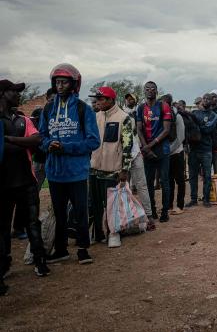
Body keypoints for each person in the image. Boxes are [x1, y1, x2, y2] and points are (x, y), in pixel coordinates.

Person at [40, 64, 100, 264]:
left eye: (64, 82)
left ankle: (83, 249)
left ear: (74, 84)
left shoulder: (84, 109)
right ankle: (61, 249)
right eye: (57, 82)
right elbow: (41, 136)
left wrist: (66, 147)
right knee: (59, 213)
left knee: (80, 212)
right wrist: (49, 144)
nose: (60, 86)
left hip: (77, 172)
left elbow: (93, 141)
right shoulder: (48, 108)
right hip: (55, 172)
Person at [1, 80, 49, 296]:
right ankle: (3, 266)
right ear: (3, 94)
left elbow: (37, 140)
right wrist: (23, 142)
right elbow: (28, 142)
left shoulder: (22, 119)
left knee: (33, 223)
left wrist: (9, 139)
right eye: (14, 91)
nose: (19, 95)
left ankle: (40, 261)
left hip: (26, 181)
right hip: (3, 184)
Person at [88, 87, 134, 248]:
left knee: (112, 204)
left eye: (101, 99)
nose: (98, 102)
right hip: (94, 168)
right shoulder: (95, 117)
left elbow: (128, 146)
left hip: (112, 170)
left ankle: (114, 233)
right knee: (94, 203)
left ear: (110, 100)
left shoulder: (124, 118)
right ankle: (97, 234)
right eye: (97, 99)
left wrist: (125, 169)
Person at [136, 81, 172, 222]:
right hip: (147, 150)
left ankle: (165, 212)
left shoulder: (164, 106)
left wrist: (150, 145)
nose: (150, 91)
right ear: (144, 91)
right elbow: (139, 129)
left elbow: (167, 130)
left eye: (153, 89)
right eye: (147, 89)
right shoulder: (140, 108)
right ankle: (152, 211)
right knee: (148, 182)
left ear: (157, 91)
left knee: (165, 181)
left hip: (162, 149)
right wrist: (146, 147)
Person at [186, 93, 216, 207]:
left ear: (211, 101)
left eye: (208, 99)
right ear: (202, 100)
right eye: (204, 98)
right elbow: (189, 128)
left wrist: (197, 128)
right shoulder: (194, 113)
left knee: (207, 176)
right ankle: (193, 199)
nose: (206, 100)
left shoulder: (213, 115)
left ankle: (206, 199)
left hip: (206, 150)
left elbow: (208, 129)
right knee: (193, 176)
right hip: (193, 149)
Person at [161, 94, 185, 214]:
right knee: (168, 180)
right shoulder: (161, 116)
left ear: (169, 104)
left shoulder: (178, 117)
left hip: (177, 153)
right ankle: (169, 205)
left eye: (164, 103)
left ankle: (180, 206)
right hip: (165, 154)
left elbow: (181, 137)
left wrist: (168, 150)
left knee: (180, 180)